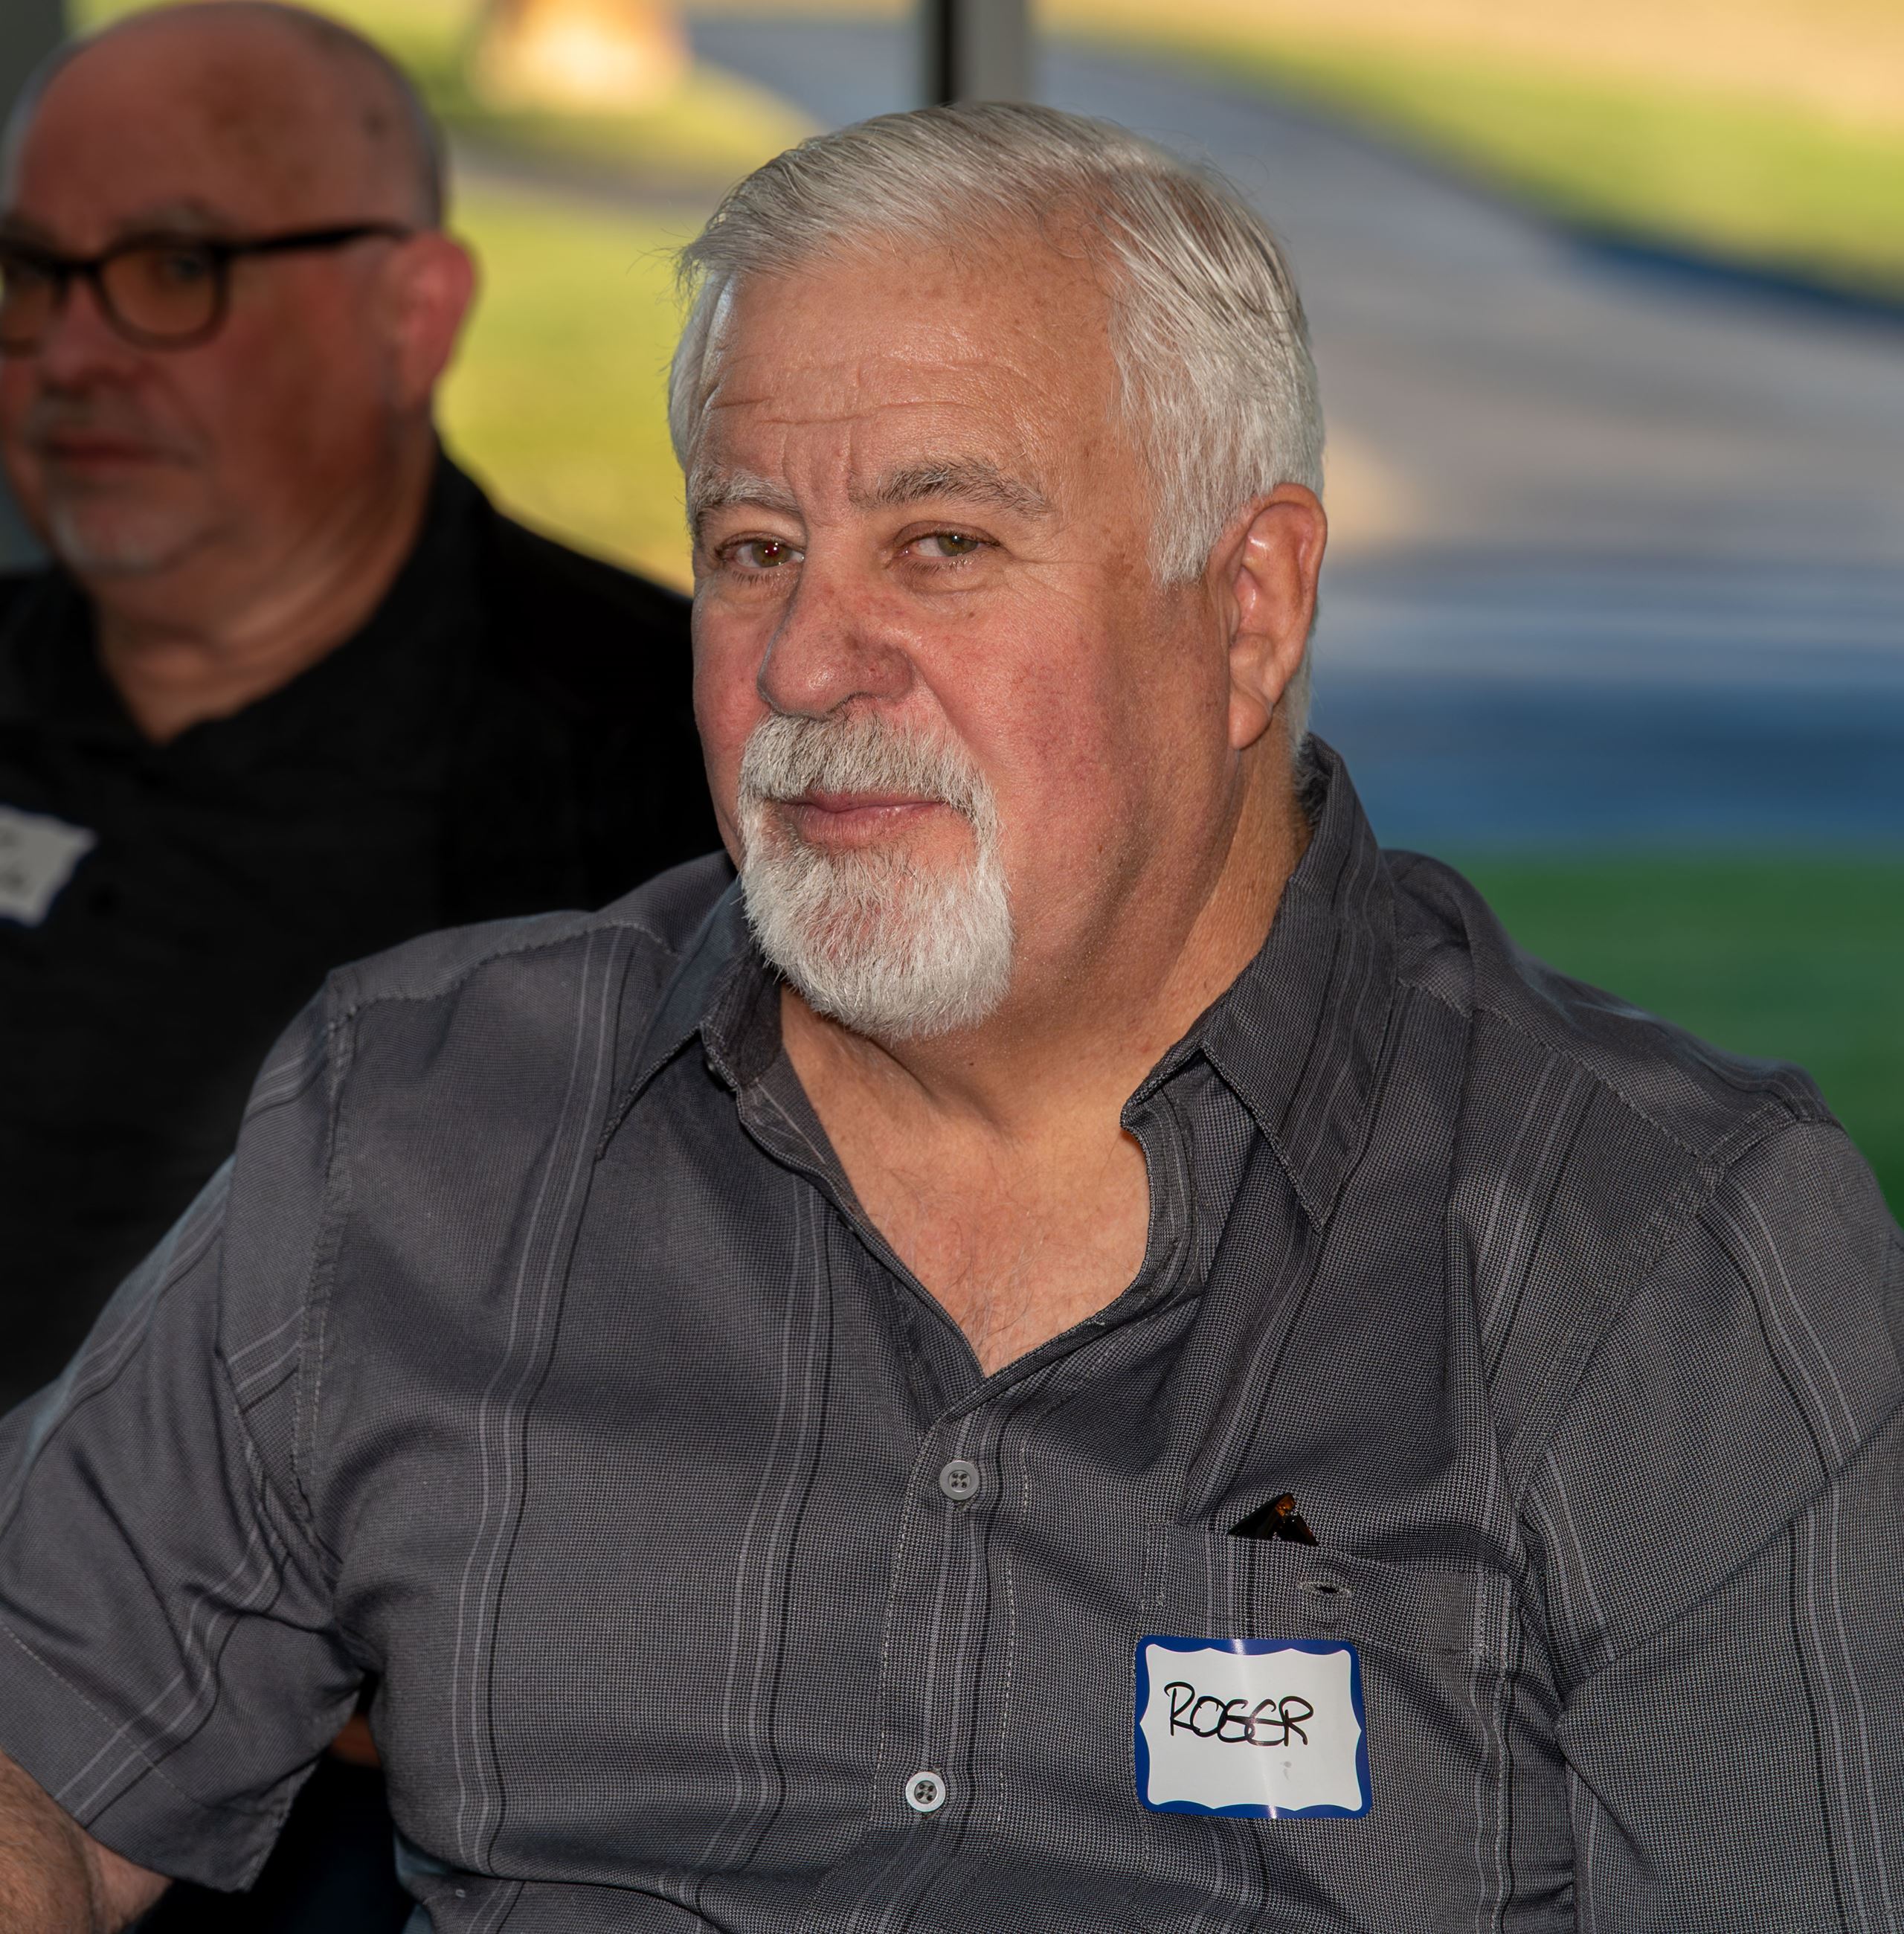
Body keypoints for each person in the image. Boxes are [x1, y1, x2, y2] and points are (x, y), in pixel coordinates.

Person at [0, 99, 1900, 1932]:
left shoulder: (1662, 1258)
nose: (809, 659)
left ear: (1246, 609)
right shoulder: (429, 1120)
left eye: (940, 546)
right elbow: (42, 1761)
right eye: (751, 548)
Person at [0, 1, 713, 1411]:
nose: (71, 355)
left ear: (415, 314)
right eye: (27, 274)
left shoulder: (682, 788)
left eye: (175, 266)